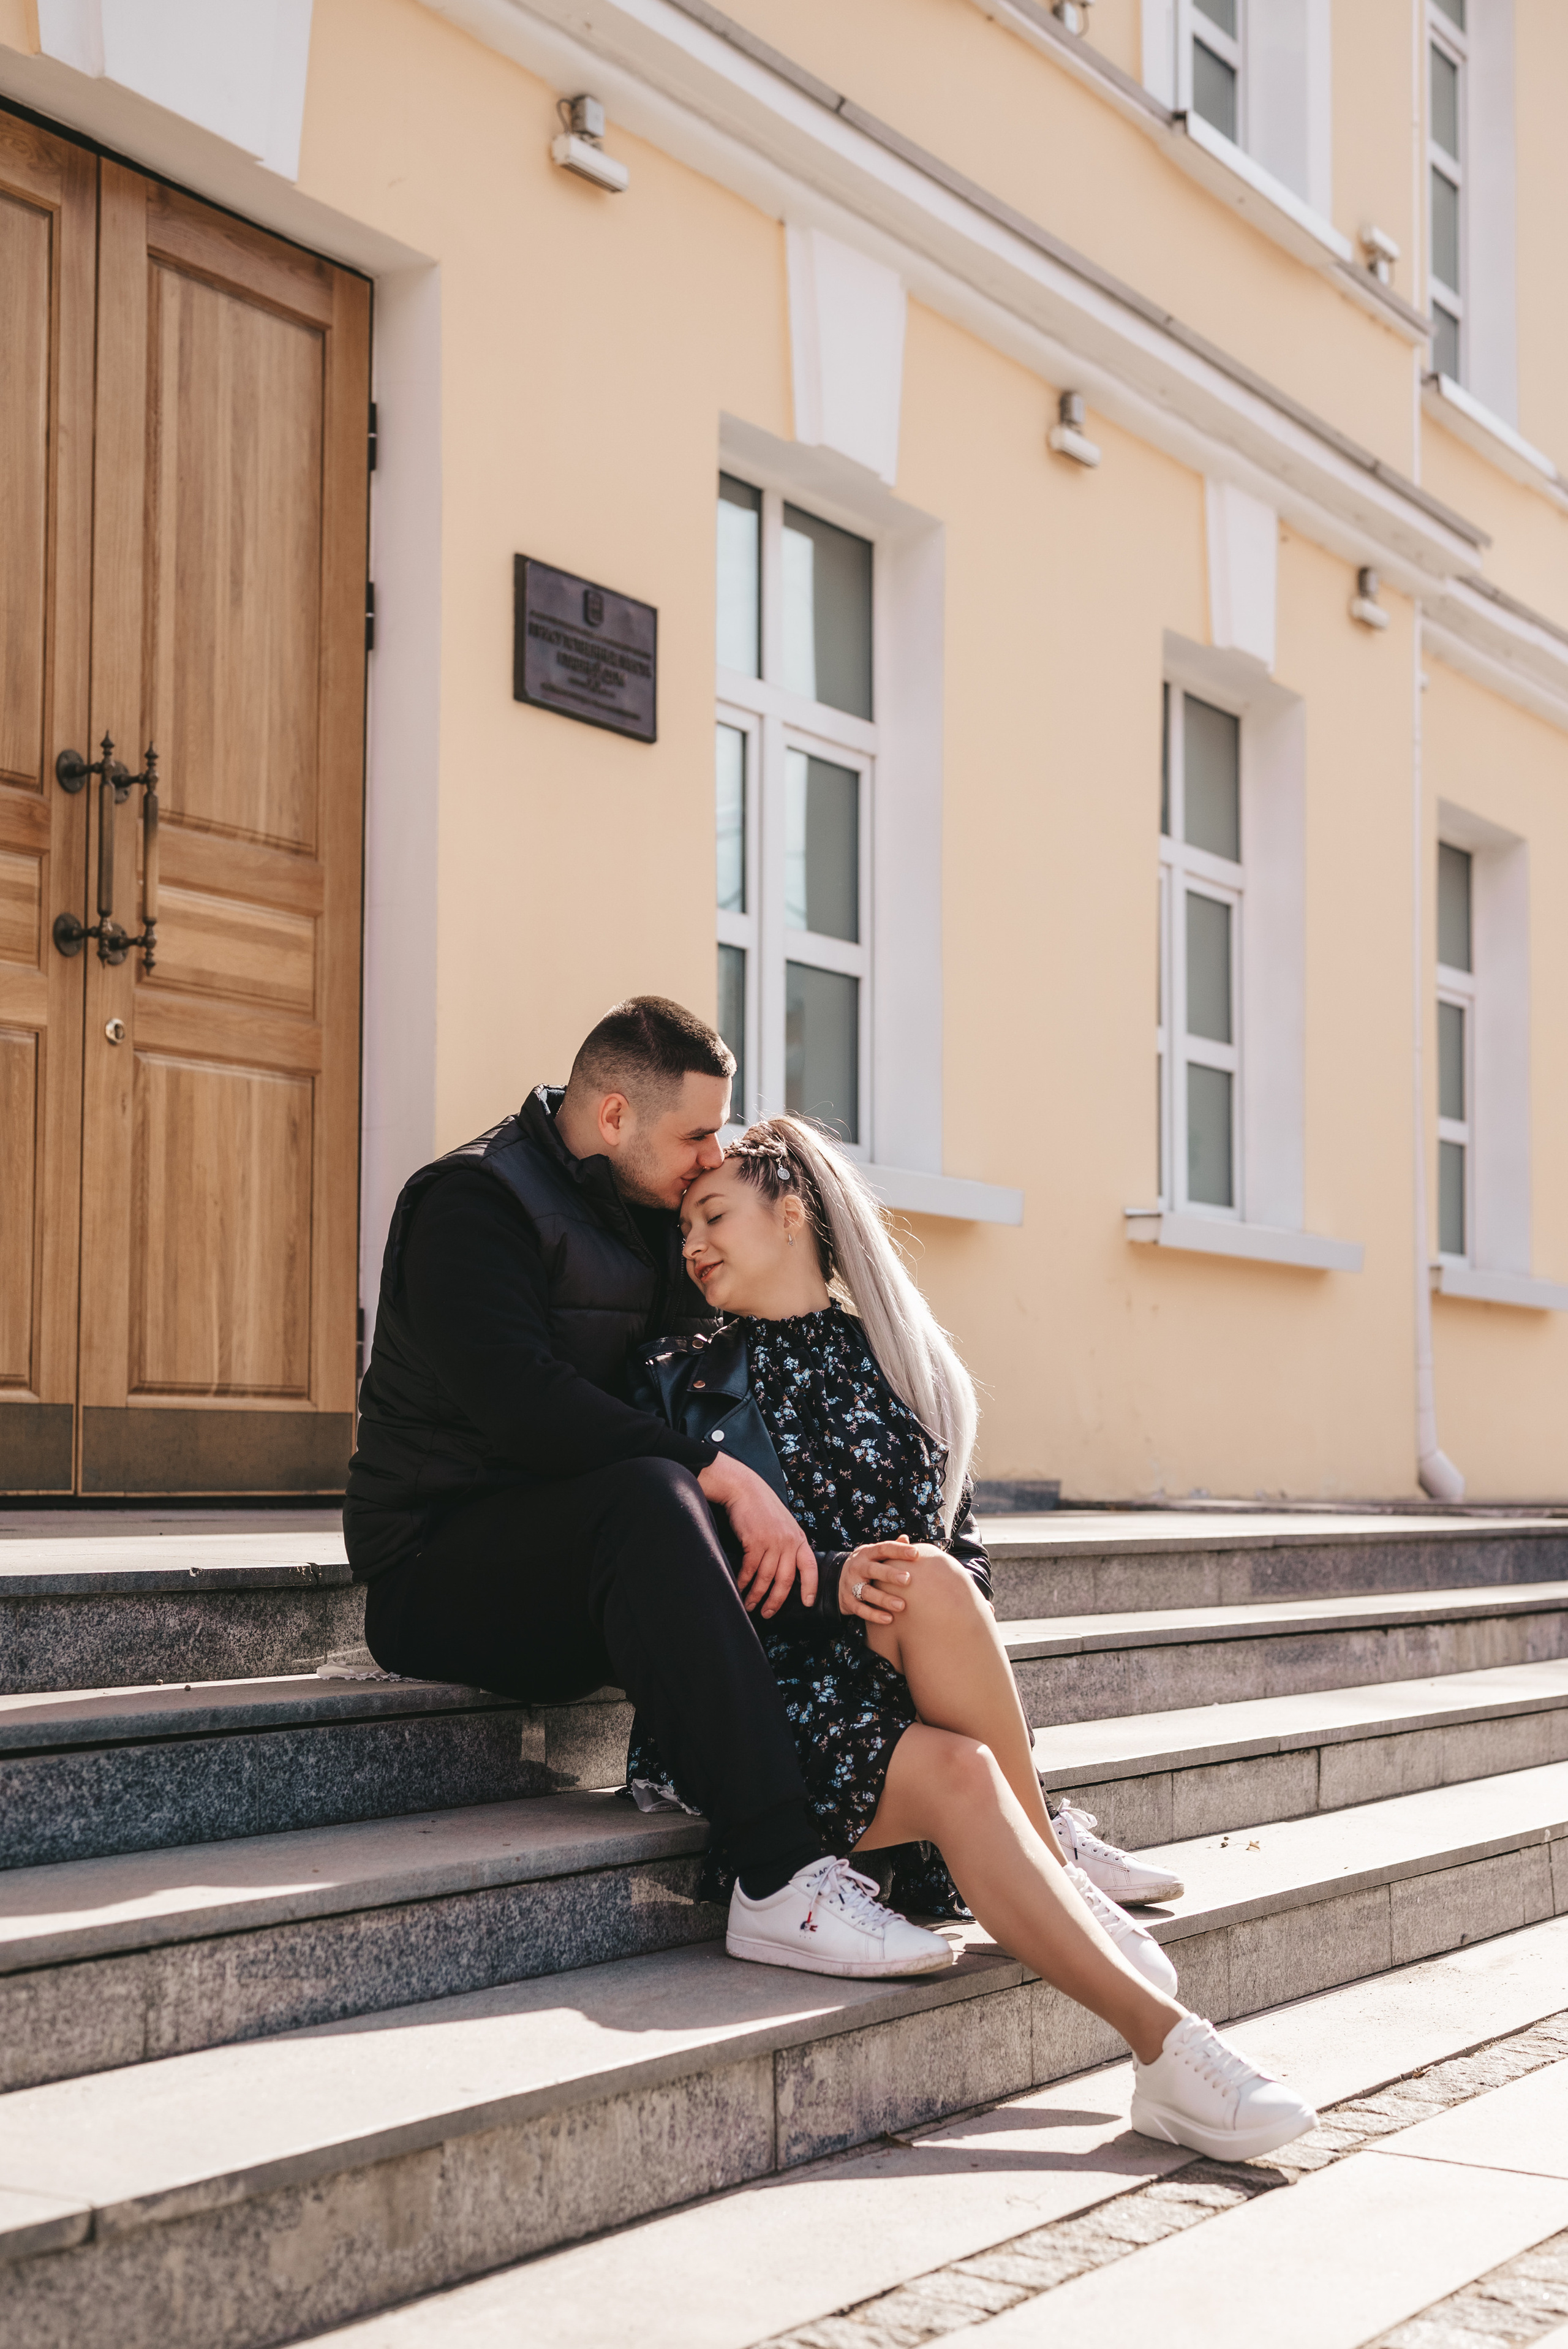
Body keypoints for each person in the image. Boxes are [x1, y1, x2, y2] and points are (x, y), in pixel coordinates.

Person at [628, 1114, 1318, 2163]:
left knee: (940, 1593)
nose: (694, 1246)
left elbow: (970, 1575)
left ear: (792, 1209)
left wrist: (886, 1594)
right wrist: (833, 1583)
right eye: (684, 1228)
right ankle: (1160, 2027)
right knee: (942, 1693)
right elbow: (682, 1580)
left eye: (713, 1214)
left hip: (891, 1702)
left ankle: (1145, 2023)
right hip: (760, 1711)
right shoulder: (683, 1376)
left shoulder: (898, 1365)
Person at [343, 996, 952, 1977]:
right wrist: (720, 1476)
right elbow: (522, 1404)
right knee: (653, 1495)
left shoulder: (657, 1216)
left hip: (618, 1569)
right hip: (441, 1567)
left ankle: (1006, 1808)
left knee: (866, 1551)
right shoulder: (471, 1201)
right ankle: (781, 1875)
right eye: (697, 1133)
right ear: (616, 1116)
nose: (714, 1156)